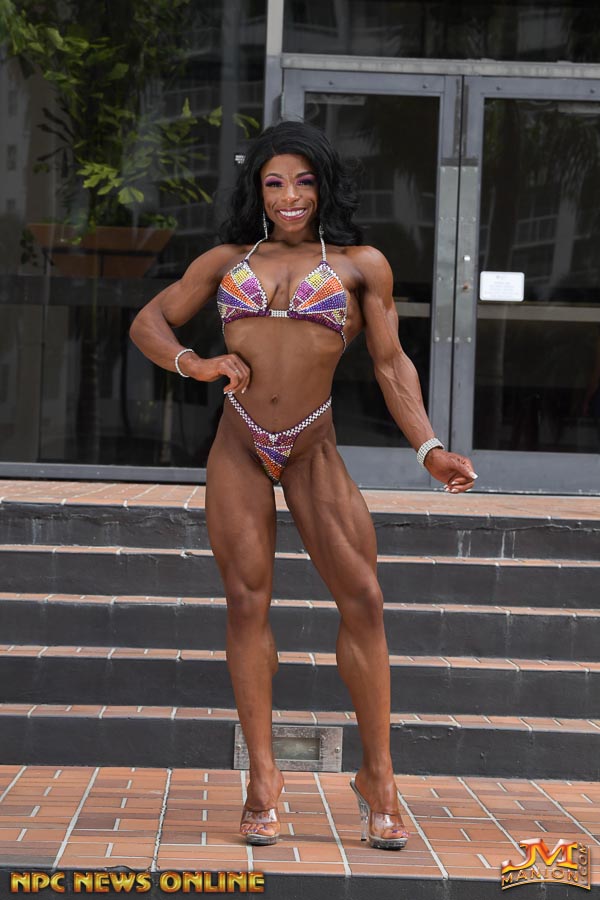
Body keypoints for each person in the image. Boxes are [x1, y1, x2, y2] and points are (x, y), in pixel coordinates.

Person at [129, 120, 477, 851]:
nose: (290, 196)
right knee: (246, 601)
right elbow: (150, 321)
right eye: (275, 182)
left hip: (313, 448)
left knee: (365, 599)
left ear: (324, 187)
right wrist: (196, 363)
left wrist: (430, 449)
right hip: (239, 444)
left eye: (304, 181)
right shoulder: (226, 260)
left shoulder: (360, 266)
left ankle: (378, 778)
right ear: (257, 190)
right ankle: (263, 780)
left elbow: (391, 364)